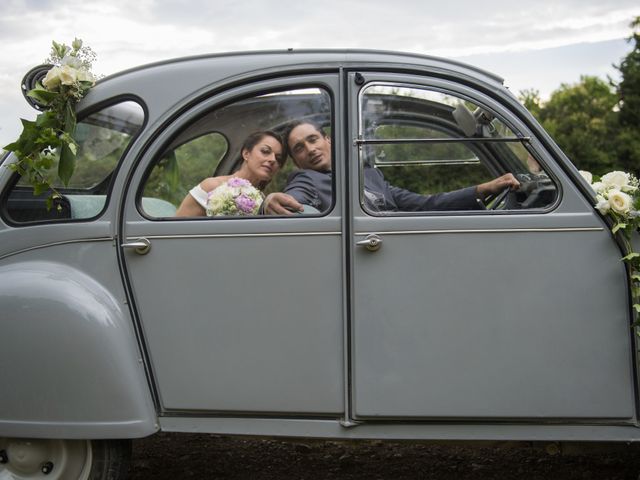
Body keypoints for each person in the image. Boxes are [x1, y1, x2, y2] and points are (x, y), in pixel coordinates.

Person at [262, 120, 520, 215]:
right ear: (296, 161)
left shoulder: (371, 175)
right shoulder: (306, 179)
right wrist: (271, 200)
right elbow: (292, 197)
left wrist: (483, 188)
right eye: (299, 148)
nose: (309, 149)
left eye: (313, 139)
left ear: (327, 140)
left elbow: (425, 204)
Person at [175, 130, 285, 217]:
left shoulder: (263, 201)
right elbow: (176, 229)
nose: (273, 159)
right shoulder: (212, 186)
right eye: (265, 151)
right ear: (246, 154)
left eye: (278, 158)